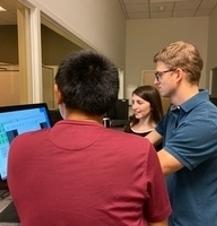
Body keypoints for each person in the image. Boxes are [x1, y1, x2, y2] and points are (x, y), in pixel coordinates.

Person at [8, 50, 171, 226]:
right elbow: (158, 221)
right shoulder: (140, 150)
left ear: (58, 93)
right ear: (111, 98)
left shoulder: (19, 146)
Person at [146, 41, 217, 226]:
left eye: (159, 75)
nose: (155, 81)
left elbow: (156, 165)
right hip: (173, 215)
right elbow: (147, 142)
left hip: (194, 221)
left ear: (177, 74)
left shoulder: (206, 121)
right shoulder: (176, 111)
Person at [124, 85, 163, 151]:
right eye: (133, 102)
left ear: (152, 105)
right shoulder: (129, 125)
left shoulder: (160, 131)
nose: (134, 107)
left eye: (139, 102)